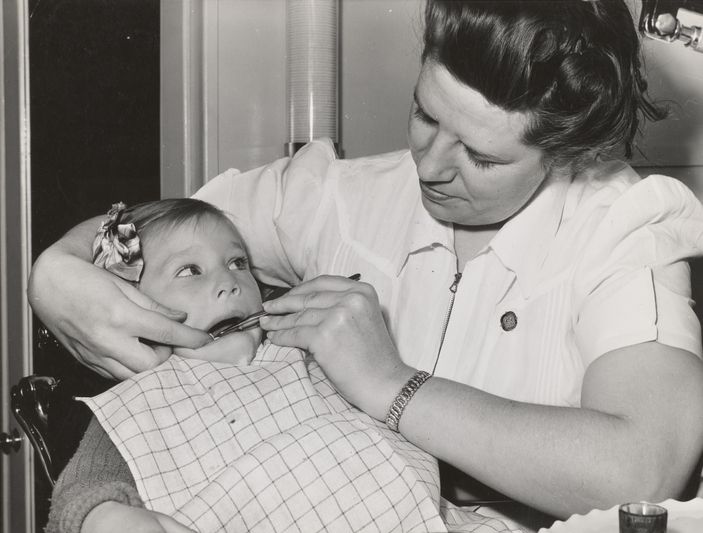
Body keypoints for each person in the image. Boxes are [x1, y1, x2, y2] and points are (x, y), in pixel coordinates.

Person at [29, 1, 703, 530]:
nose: (430, 165)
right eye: (423, 113)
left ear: (567, 153)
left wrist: (390, 383)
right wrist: (55, 269)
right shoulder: (337, 199)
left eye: (482, 157)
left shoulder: (623, 222)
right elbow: (164, 232)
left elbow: (640, 468)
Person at [47, 198, 513, 533]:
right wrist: (109, 518)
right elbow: (82, 491)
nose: (229, 282)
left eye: (237, 262)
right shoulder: (137, 401)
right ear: (132, 305)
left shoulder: (307, 353)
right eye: (190, 271)